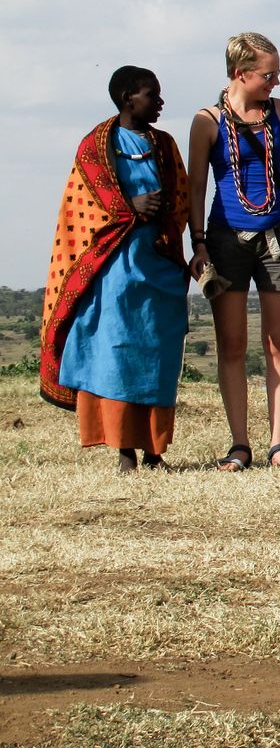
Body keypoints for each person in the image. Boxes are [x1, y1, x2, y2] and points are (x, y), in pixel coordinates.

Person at [41, 66, 190, 473]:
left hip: (158, 266)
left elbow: (181, 197)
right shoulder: (95, 145)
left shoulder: (164, 144)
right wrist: (131, 208)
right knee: (118, 353)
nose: (159, 102)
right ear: (128, 98)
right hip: (113, 269)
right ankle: (124, 450)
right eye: (151, 95)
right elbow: (82, 205)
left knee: (158, 354)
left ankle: (155, 451)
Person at [187, 33, 280, 471]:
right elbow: (196, 189)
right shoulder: (206, 121)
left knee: (279, 344)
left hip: (278, 234)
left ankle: (279, 444)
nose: (275, 82)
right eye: (268, 74)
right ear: (241, 74)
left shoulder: (279, 112)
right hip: (224, 239)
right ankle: (239, 444)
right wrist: (198, 243)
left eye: (277, 73)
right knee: (233, 344)